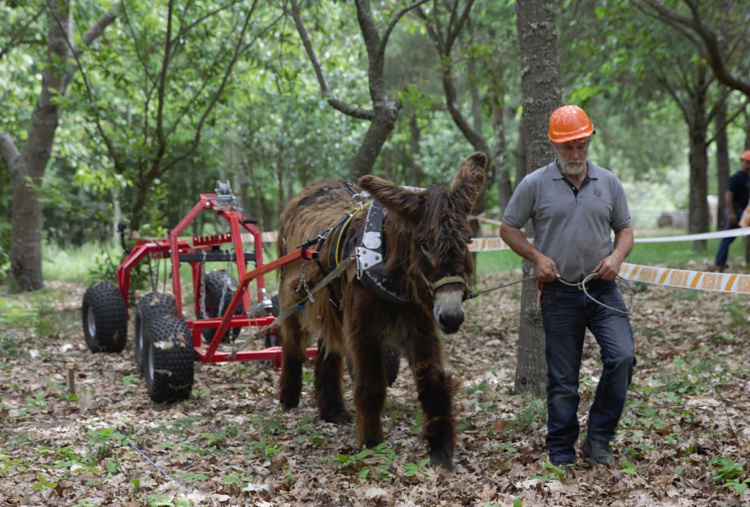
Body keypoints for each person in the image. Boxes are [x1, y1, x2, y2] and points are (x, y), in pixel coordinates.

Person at [499, 105, 635, 471]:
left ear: (589, 140)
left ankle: (599, 438)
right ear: (554, 145)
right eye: (567, 147)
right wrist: (536, 257)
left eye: (581, 145)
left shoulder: (608, 182)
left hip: (603, 290)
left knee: (622, 358)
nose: (575, 154)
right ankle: (561, 452)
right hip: (559, 293)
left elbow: (625, 229)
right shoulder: (534, 184)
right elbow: (508, 228)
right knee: (563, 380)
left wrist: (617, 258)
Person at [713, 150, 750, 272]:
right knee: (727, 237)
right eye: (746, 162)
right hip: (737, 212)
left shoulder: (747, 178)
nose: (747, 165)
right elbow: (728, 195)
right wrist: (731, 212)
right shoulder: (736, 177)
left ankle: (720, 263)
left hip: (745, 213)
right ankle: (719, 264)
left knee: (729, 238)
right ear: (742, 162)